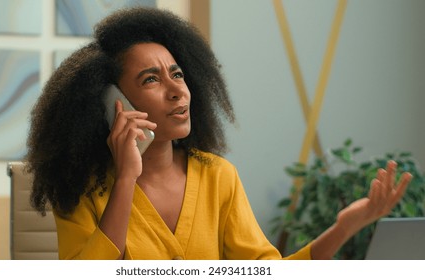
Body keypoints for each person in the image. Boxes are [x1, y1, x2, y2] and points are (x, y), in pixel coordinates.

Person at [25, 7, 412, 260]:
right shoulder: (81, 188)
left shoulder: (217, 177)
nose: (177, 90)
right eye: (150, 79)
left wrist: (345, 227)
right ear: (114, 103)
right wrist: (127, 176)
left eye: (177, 73)